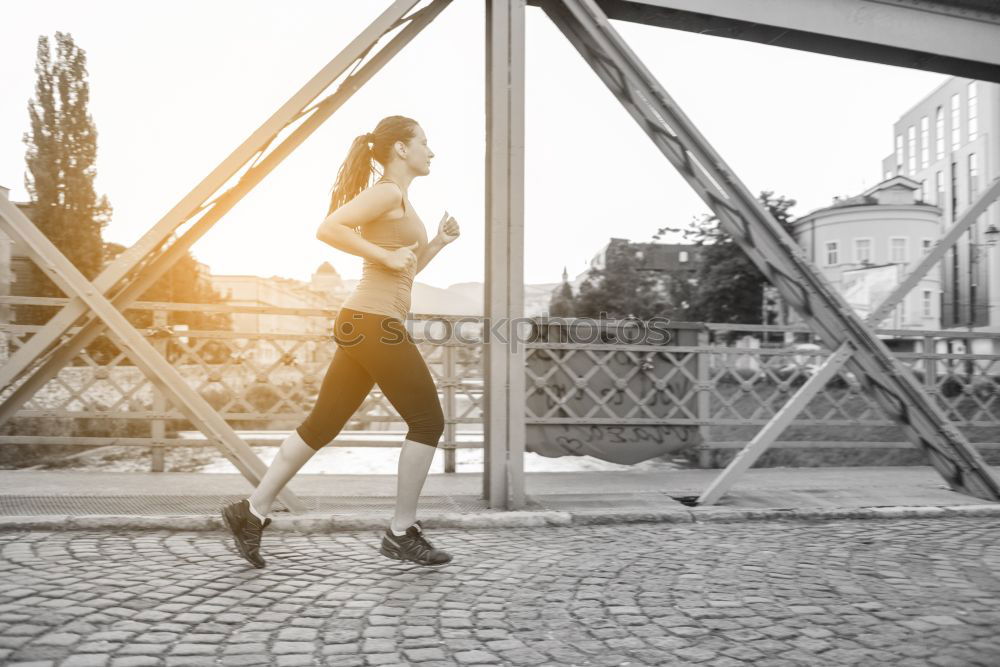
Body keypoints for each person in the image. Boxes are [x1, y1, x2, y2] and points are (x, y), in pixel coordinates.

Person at [222, 115, 461, 568]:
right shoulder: (388, 191)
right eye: (425, 142)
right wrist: (382, 254)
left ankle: (250, 512)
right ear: (402, 150)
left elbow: (403, 269)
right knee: (428, 423)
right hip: (372, 322)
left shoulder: (400, 199)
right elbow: (329, 228)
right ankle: (400, 533)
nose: (432, 151)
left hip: (364, 320)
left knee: (321, 426)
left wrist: (436, 245)